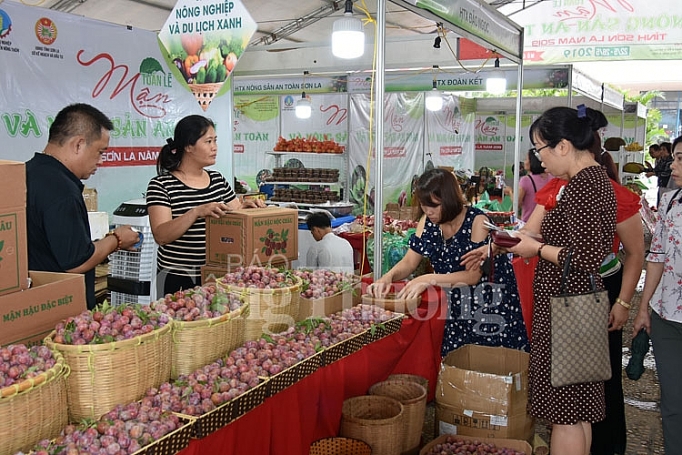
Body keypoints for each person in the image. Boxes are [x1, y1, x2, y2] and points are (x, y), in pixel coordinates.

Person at [507, 106, 617, 455]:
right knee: (578, 411)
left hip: (568, 312)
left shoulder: (583, 186)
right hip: (578, 307)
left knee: (565, 414)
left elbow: (585, 258)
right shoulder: (593, 180)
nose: (540, 161)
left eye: (541, 150)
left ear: (563, 146)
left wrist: (536, 249)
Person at [366, 168, 529, 357]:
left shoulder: (477, 222)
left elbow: (472, 276)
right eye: (424, 205)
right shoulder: (427, 222)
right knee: (456, 363)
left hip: (488, 304)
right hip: (455, 305)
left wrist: (427, 279)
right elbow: (410, 261)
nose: (428, 211)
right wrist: (389, 276)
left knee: (491, 363)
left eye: (434, 206)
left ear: (449, 199)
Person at [26, 103, 140, 310]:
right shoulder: (62, 189)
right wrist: (117, 239)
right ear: (78, 144)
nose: (101, 161)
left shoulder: (27, 172)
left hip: (32, 302)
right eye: (100, 152)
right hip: (58, 308)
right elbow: (76, 262)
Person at [146, 115, 265, 296]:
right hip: (178, 277)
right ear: (188, 146)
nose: (214, 147)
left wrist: (247, 208)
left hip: (216, 275)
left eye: (215, 141)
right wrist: (196, 212)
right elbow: (161, 235)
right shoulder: (161, 185)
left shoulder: (217, 180)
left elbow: (235, 213)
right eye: (208, 141)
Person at [633, 135, 682, 455]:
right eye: (675, 157)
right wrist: (643, 307)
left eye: (679, 159)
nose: (673, 165)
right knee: (673, 403)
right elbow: (657, 256)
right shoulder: (671, 200)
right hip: (667, 315)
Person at [517, 149, 552, 222]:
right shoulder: (552, 178)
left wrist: (510, 192)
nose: (524, 162)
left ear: (532, 162)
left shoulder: (526, 180)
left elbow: (517, 203)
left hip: (529, 222)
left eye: (526, 159)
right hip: (547, 222)